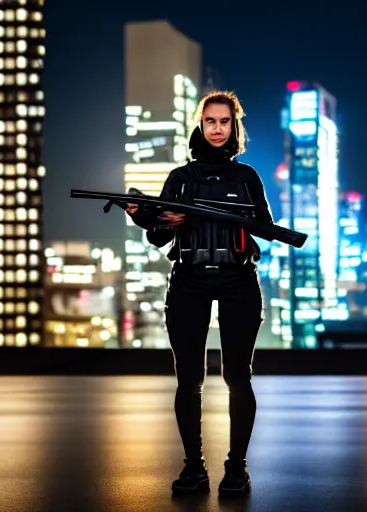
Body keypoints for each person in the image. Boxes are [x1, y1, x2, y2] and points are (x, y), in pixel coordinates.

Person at [126, 91, 273, 496]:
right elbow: (158, 236)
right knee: (188, 379)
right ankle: (194, 468)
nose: (217, 128)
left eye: (225, 122)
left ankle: (236, 468)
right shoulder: (180, 177)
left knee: (237, 377)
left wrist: (233, 218)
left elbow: (266, 227)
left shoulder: (247, 178)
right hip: (188, 280)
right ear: (200, 124)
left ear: (234, 128)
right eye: (211, 121)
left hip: (239, 280)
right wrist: (154, 218)